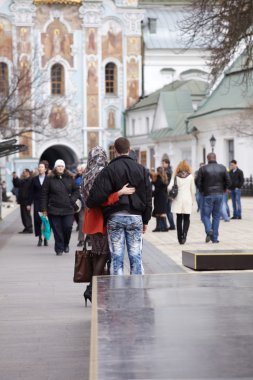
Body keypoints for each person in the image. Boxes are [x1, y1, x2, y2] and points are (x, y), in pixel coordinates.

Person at [86, 137, 152, 276]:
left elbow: (94, 199)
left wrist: (115, 195)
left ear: (114, 151)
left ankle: (118, 290)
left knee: (117, 257)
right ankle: (137, 288)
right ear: (129, 149)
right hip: (135, 217)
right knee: (136, 257)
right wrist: (145, 220)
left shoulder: (109, 170)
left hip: (115, 217)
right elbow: (147, 198)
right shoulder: (141, 170)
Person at [82, 146, 135, 305]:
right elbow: (102, 198)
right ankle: (92, 289)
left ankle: (96, 289)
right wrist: (119, 193)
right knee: (104, 255)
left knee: (99, 254)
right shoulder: (102, 173)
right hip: (102, 218)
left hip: (91, 218)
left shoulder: (86, 173)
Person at [41, 159, 80, 255]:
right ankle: (59, 248)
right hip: (54, 208)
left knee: (67, 227)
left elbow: (76, 191)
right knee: (57, 229)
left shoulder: (70, 177)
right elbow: (44, 194)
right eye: (58, 166)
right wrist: (44, 209)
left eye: (62, 166)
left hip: (68, 208)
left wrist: (72, 200)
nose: (60, 168)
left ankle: (66, 243)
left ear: (64, 167)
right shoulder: (49, 178)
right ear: (55, 167)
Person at [196, 152, 231, 243]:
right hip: (219, 194)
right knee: (216, 216)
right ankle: (214, 239)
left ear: (208, 159)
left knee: (205, 215)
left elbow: (198, 182)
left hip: (207, 194)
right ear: (215, 158)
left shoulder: (203, 169)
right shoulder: (222, 168)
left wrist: (202, 191)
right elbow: (228, 181)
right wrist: (224, 189)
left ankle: (208, 230)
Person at [168, 160, 195, 244]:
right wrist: (193, 200)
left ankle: (179, 237)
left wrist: (173, 191)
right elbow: (193, 190)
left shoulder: (176, 176)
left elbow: (169, 187)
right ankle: (184, 235)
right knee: (187, 218)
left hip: (178, 199)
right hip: (187, 199)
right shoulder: (190, 176)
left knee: (179, 218)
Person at [30, 161, 48, 247]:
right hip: (37, 203)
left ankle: (46, 238)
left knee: (45, 221)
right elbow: (31, 192)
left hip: (46, 203)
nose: (40, 168)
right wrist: (29, 203)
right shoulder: (34, 179)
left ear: (45, 169)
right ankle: (39, 238)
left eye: (42, 167)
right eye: (39, 167)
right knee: (38, 221)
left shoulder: (49, 179)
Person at [12, 169, 33, 234]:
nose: (23, 173)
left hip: (27, 202)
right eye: (23, 172)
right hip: (22, 201)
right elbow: (17, 184)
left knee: (26, 215)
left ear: (27, 173)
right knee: (23, 215)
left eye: (24, 172)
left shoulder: (31, 181)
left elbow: (31, 193)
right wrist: (15, 177)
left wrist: (29, 203)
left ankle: (29, 228)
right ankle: (26, 227)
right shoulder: (23, 180)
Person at [150, 167, 169, 232]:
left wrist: (151, 194)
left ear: (158, 171)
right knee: (161, 212)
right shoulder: (165, 178)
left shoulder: (158, 179)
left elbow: (157, 190)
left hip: (159, 198)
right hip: (164, 197)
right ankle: (162, 227)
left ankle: (162, 227)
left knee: (159, 212)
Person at [161, 158, 176, 230]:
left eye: (163, 163)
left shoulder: (168, 172)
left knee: (168, 210)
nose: (162, 165)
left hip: (167, 193)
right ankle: (172, 225)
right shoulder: (169, 170)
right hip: (168, 193)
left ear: (167, 163)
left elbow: (166, 182)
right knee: (168, 210)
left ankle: (172, 225)